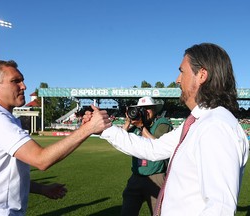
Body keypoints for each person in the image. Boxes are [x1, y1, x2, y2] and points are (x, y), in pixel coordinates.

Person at [85, 43, 249, 215]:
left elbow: (220, 208)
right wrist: (104, 128)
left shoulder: (216, 127)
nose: (178, 79)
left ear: (202, 75)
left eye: (182, 71)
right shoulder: (199, 122)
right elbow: (154, 149)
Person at [0, 60, 112, 215]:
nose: (24, 86)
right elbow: (41, 159)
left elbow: (4, 175)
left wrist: (42, 188)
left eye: (22, 80)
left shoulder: (2, 117)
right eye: (16, 81)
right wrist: (88, 129)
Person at [121, 96, 173, 216]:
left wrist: (141, 127)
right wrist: (128, 121)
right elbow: (121, 139)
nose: (145, 111)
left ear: (155, 110)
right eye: (142, 109)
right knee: (127, 212)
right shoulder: (135, 126)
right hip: (137, 175)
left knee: (159, 213)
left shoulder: (162, 124)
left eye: (148, 108)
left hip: (156, 176)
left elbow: (158, 146)